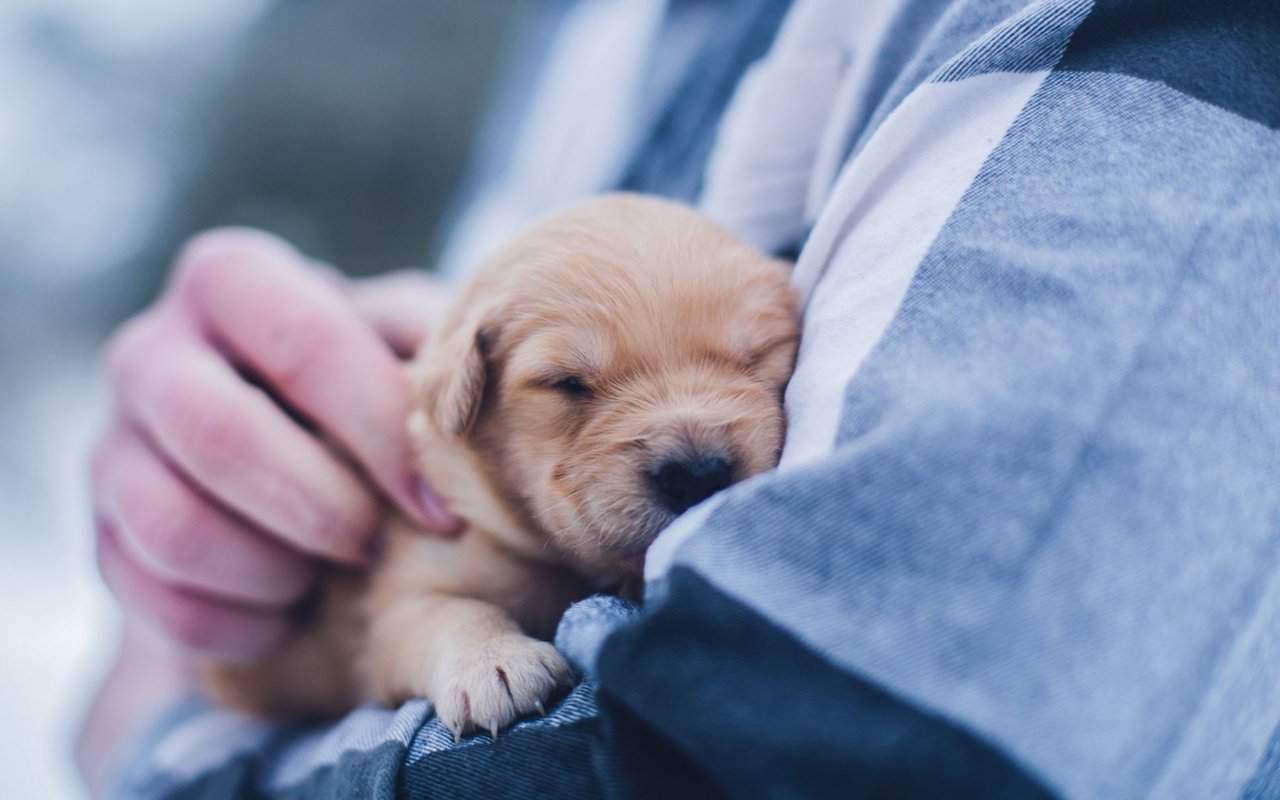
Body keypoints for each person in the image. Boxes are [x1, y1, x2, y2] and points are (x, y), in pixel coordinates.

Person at [80, 0, 1280, 798]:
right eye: (571, 385)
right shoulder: (577, 31)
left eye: (756, 357)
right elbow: (404, 618)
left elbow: (769, 750)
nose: (693, 441)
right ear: (462, 395)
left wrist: (153, 742)